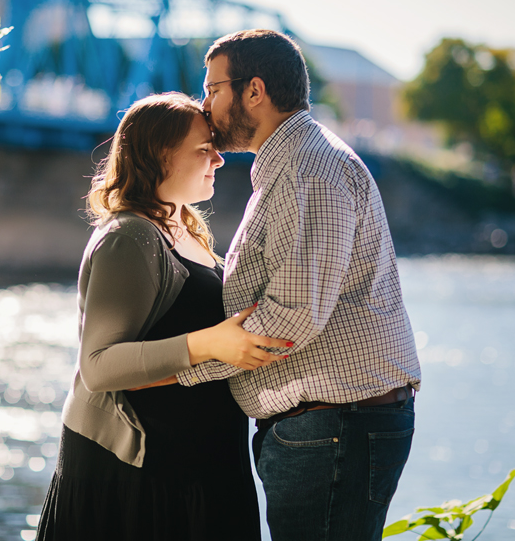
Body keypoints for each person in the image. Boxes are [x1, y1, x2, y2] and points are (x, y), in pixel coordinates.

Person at [176, 29, 423, 541]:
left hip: (335, 427)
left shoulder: (306, 170)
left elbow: (292, 317)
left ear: (254, 91)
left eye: (213, 88)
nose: (206, 104)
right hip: (330, 426)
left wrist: (177, 367)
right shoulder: (295, 161)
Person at [36, 92, 290, 541]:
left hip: (200, 464)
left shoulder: (184, 226)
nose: (218, 158)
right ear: (159, 154)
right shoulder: (129, 236)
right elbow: (98, 366)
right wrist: (208, 344)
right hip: (138, 474)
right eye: (203, 148)